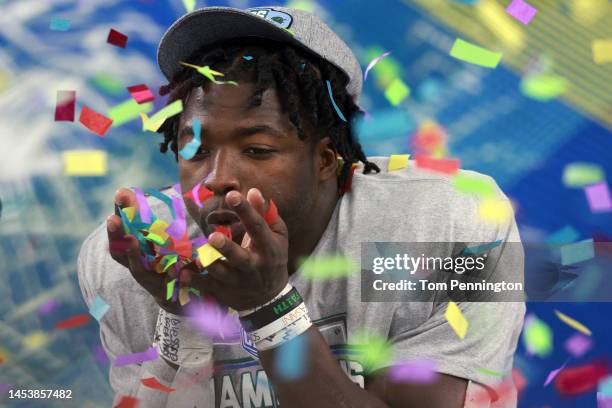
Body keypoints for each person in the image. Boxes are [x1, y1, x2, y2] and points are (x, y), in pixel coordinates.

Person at [77, 5, 525, 408]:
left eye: (256, 149)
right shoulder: (131, 262)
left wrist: (270, 307)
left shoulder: (444, 227)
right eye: (194, 150)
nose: (217, 178)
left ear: (327, 160)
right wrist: (181, 323)